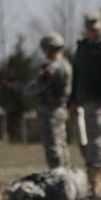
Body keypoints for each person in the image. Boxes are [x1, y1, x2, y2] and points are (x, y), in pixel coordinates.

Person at [70, 10, 101, 196]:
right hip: (85, 97)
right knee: (100, 140)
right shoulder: (83, 47)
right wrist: (74, 98)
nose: (93, 32)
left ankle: (95, 180)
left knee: (97, 140)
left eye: (96, 29)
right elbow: (77, 73)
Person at [17, 32, 73, 170]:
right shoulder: (66, 65)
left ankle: (58, 175)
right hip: (61, 109)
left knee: (52, 146)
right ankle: (66, 173)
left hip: (51, 111)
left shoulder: (53, 68)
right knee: (61, 144)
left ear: (49, 48)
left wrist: (17, 86)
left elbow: (37, 87)